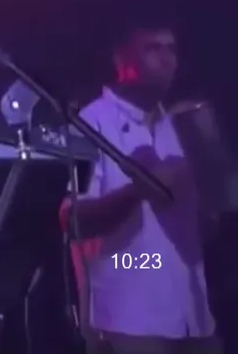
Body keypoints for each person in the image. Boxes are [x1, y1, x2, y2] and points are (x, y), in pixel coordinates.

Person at [61, 18, 224, 354]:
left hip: (195, 317)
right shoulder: (90, 124)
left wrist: (213, 184)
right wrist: (140, 189)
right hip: (127, 321)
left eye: (172, 49)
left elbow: (205, 226)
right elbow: (72, 221)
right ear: (122, 59)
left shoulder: (181, 125)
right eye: (152, 48)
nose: (166, 60)